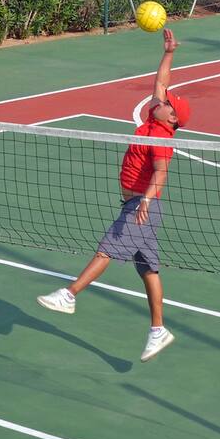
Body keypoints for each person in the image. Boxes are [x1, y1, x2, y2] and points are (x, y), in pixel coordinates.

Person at [36, 27, 187, 362]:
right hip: (140, 204)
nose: (159, 100)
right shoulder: (154, 120)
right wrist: (168, 51)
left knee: (107, 248)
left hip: (142, 206)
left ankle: (70, 294)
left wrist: (146, 200)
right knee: (148, 270)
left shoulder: (161, 137)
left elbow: (161, 174)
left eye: (165, 104)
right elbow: (160, 82)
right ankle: (158, 330)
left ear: (172, 118)